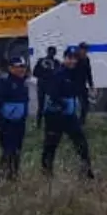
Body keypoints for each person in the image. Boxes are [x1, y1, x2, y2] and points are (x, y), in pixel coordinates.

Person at [39, 47, 94, 179]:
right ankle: (47, 172)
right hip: (55, 116)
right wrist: (63, 104)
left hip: (69, 115)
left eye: (74, 58)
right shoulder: (58, 73)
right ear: (64, 58)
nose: (72, 61)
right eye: (69, 58)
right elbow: (52, 93)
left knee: (81, 142)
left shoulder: (74, 73)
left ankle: (86, 170)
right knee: (51, 145)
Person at [0, 56, 29, 183]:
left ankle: (13, 175)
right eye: (18, 67)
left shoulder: (24, 83)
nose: (21, 70)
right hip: (5, 123)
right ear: (10, 68)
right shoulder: (3, 82)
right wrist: (1, 120)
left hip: (19, 122)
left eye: (23, 67)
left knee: (17, 150)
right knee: (8, 150)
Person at [32, 46, 59, 130]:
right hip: (45, 86)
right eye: (51, 52)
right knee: (44, 106)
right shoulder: (45, 61)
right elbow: (35, 73)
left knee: (47, 105)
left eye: (52, 52)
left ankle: (43, 124)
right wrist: (48, 75)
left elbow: (35, 73)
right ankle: (40, 124)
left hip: (47, 86)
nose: (51, 53)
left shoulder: (55, 62)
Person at [72, 42, 95, 128]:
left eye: (86, 50)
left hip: (82, 85)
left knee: (85, 104)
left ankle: (82, 121)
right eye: (84, 49)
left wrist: (91, 84)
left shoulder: (86, 59)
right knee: (74, 104)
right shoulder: (74, 58)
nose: (85, 51)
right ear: (80, 49)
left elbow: (88, 72)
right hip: (73, 84)